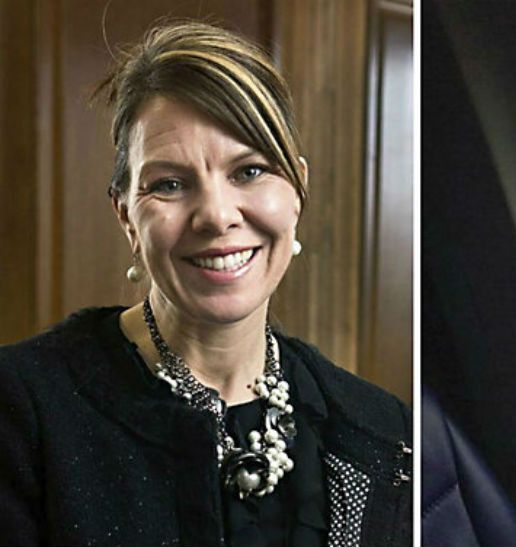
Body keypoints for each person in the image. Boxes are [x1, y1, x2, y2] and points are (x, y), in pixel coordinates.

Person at [0, 21, 411, 546]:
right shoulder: (22, 410)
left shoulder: (380, 428)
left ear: (298, 192)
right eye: (170, 184)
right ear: (127, 217)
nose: (217, 216)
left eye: (250, 172)